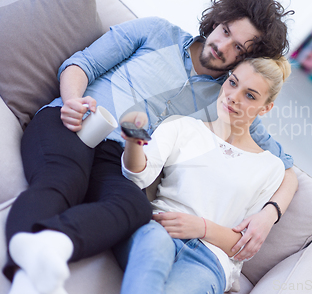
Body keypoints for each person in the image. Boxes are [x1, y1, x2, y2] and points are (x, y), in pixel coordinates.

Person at [4, 0, 298, 294]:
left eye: (239, 47)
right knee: (64, 180)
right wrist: (73, 100)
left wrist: (270, 214)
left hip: (117, 159)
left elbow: (287, 169)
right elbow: (81, 64)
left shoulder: (230, 96)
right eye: (226, 31)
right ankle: (27, 264)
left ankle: (49, 249)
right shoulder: (156, 32)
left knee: (136, 208)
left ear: (247, 59)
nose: (223, 46)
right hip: (74, 125)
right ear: (217, 20)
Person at [118, 57, 291, 293]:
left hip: (210, 260)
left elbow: (241, 247)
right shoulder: (181, 127)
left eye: (250, 95)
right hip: (158, 230)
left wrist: (202, 227)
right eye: (232, 83)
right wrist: (133, 142)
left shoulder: (271, 167)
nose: (233, 96)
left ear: (266, 108)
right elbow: (139, 176)